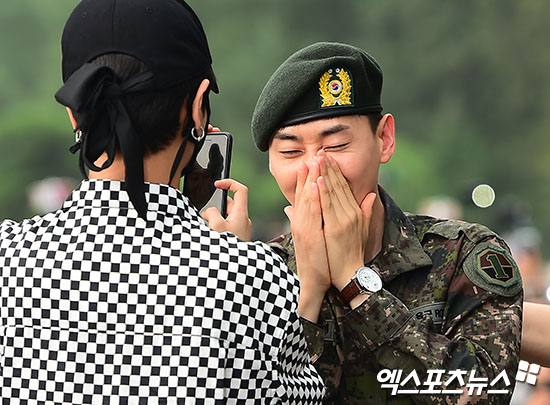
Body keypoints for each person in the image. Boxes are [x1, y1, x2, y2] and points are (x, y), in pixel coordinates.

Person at [0, 1, 325, 403]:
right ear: (198, 107)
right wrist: (273, 278)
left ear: (74, 114)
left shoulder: (7, 254)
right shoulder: (255, 279)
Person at [208, 42, 523, 404]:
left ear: (384, 139)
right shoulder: (262, 272)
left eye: (336, 146)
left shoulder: (461, 255)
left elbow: (482, 393)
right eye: (291, 152)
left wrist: (356, 286)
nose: (316, 170)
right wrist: (306, 292)